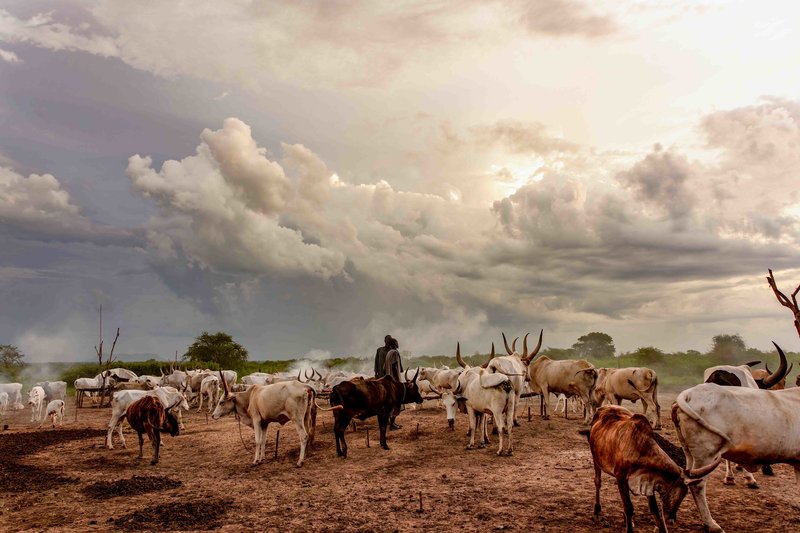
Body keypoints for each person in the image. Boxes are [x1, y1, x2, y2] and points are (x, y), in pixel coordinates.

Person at [383, 337, 403, 430]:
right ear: (393, 344)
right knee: (397, 402)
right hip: (394, 380)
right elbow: (395, 367)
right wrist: (396, 381)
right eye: (396, 342)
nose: (398, 343)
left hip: (388, 380)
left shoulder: (388, 353)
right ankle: (392, 424)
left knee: (390, 402)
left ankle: (391, 423)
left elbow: (384, 367)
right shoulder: (395, 352)